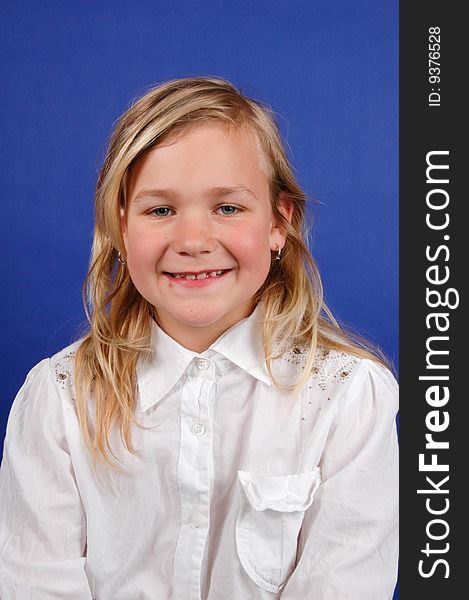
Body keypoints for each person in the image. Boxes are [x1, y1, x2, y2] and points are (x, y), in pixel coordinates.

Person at [0, 77, 398, 599]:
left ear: (280, 223)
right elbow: (36, 585)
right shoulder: (58, 399)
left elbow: (342, 584)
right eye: (160, 210)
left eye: (228, 208)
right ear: (120, 225)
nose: (191, 241)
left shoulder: (347, 398)